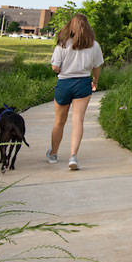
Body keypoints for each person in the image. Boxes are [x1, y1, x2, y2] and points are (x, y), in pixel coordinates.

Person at [48, 13, 104, 170]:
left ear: (70, 26)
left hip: (64, 83)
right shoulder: (94, 45)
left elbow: (55, 67)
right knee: (78, 120)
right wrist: (95, 81)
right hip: (83, 83)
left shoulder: (62, 44)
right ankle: (73, 156)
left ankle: (53, 154)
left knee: (59, 121)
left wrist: (60, 68)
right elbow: (97, 67)